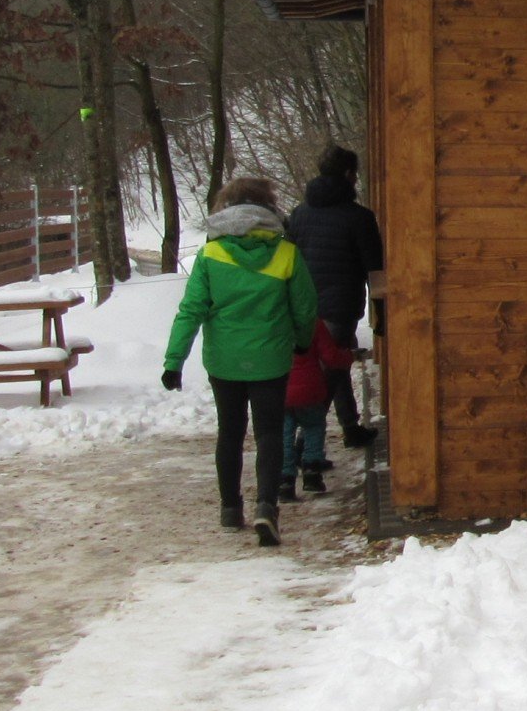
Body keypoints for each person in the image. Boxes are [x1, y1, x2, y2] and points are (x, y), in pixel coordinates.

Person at [163, 176, 318, 546]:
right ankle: (267, 505)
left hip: (224, 361)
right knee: (268, 432)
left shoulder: (210, 255)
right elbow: (306, 307)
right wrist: (301, 342)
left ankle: (231, 507)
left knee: (229, 432)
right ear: (268, 208)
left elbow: (191, 311)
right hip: (271, 358)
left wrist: (174, 360)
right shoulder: (286, 253)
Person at [285, 144, 383, 454]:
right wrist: (382, 311)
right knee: (331, 370)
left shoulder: (298, 214)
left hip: (303, 305)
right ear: (349, 174)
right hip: (340, 306)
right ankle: (304, 442)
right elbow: (375, 269)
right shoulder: (359, 217)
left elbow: (288, 261)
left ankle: (350, 427)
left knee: (334, 364)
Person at [283, 321, 355, 499]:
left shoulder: (273, 323)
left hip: (281, 391)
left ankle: (285, 480)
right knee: (314, 428)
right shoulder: (313, 324)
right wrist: (347, 357)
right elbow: (330, 357)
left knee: (284, 434)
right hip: (310, 390)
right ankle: (312, 472)